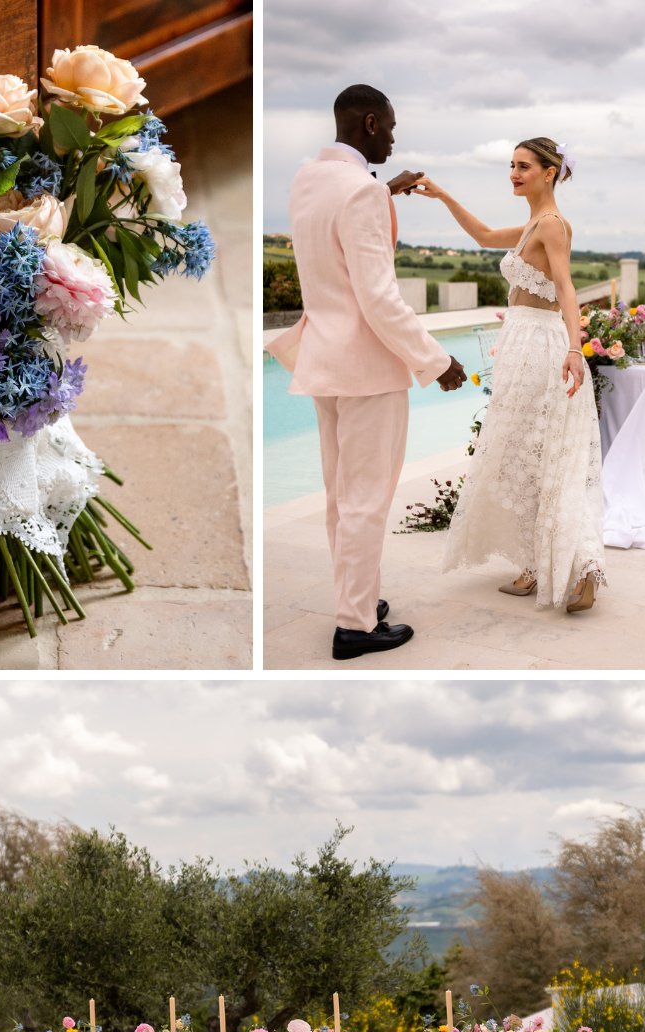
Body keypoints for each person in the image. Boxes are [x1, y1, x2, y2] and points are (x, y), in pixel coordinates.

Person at [265, 85, 467, 660]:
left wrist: (384, 191)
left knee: (340, 496)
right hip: (369, 370)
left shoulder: (309, 178)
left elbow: (342, 215)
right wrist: (436, 359)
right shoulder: (362, 193)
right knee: (366, 500)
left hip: (323, 360)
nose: (397, 138)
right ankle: (355, 625)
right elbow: (380, 300)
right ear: (371, 123)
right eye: (393, 127)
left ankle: (358, 596)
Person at [411, 137, 605, 613]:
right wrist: (444, 197)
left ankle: (573, 567)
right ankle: (535, 561)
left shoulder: (553, 225)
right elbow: (481, 236)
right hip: (520, 345)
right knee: (522, 453)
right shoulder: (532, 225)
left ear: (549, 172)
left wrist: (575, 350)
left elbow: (565, 287)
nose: (514, 173)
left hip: (541, 345)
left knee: (541, 455)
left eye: (523, 166)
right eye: (511, 166)